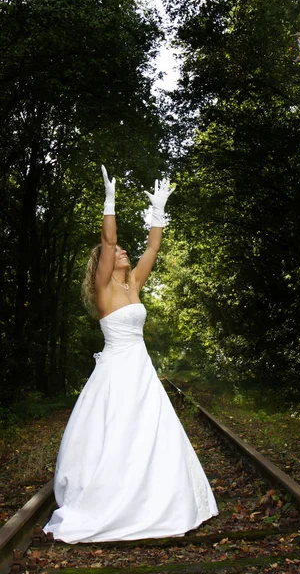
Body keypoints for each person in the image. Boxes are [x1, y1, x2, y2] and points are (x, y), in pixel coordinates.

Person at [43, 166, 218, 543]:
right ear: (103, 265)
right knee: (116, 432)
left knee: (150, 433)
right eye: (119, 251)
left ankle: (156, 500)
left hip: (141, 369)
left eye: (124, 250)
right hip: (116, 370)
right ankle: (109, 501)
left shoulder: (134, 283)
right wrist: (110, 203)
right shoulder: (104, 288)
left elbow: (153, 247)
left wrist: (158, 213)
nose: (122, 251)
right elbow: (107, 243)